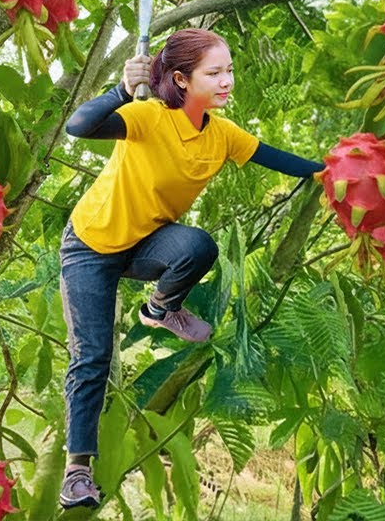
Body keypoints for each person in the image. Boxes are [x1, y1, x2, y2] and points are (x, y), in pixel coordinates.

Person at [57, 28, 324, 509]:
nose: (227, 81)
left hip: (144, 244)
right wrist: (120, 90)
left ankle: (160, 309)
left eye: (229, 71)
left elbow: (276, 158)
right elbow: (79, 126)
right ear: (181, 79)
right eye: (215, 73)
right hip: (91, 246)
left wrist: (334, 169)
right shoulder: (149, 116)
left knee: (198, 246)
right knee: (92, 357)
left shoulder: (221, 133)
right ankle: (77, 471)